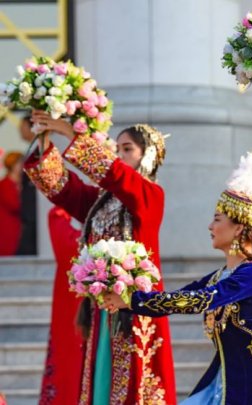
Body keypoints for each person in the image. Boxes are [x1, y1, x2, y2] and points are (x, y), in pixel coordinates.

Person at [103, 152, 252, 404]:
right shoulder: (222, 276)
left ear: (238, 228)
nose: (210, 226)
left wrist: (133, 301)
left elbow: (199, 300)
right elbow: (182, 297)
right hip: (229, 382)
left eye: (217, 220)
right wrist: (129, 299)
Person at [23, 112, 176, 404]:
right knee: (101, 385)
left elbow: (117, 175)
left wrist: (72, 134)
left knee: (133, 385)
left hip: (135, 309)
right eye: (116, 149)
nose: (119, 155)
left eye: (127, 149)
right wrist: (45, 139)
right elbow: (64, 189)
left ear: (149, 155)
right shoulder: (100, 203)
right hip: (102, 307)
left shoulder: (149, 195)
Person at [39, 206, 84, 404]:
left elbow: (57, 215)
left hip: (71, 320)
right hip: (74, 319)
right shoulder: (91, 246)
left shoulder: (71, 239)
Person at [16, 116, 38, 255]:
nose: (20, 130)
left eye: (22, 126)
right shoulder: (31, 148)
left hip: (35, 206)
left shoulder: (39, 149)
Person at [0, 151, 23, 256]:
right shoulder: (5, 185)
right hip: (8, 230)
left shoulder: (21, 184)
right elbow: (14, 205)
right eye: (20, 163)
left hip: (19, 229)